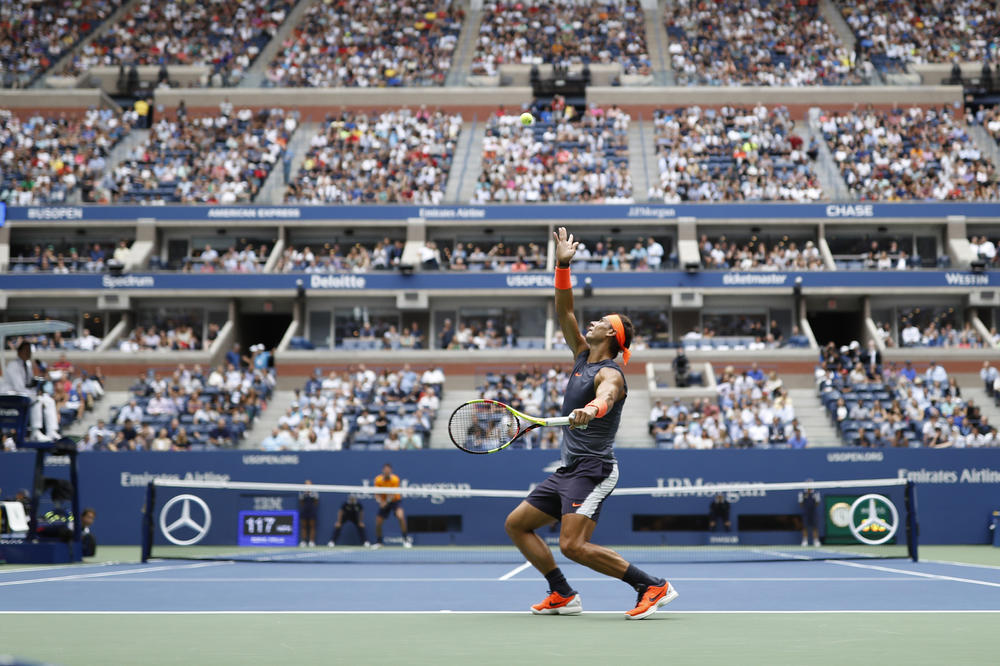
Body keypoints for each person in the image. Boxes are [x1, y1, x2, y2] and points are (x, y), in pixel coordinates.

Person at [503, 227, 677, 621]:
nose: (593, 322)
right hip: (568, 470)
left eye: (601, 321)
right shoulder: (583, 356)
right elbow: (564, 311)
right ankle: (562, 593)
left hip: (595, 470)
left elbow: (608, 395)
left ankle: (650, 585)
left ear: (611, 336)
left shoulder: (610, 372)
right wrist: (562, 265)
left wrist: (592, 410)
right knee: (517, 524)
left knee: (573, 545)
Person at [0, 340, 59, 441]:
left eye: (29, 351)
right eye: (26, 350)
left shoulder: (27, 365)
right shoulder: (13, 365)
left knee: (49, 400)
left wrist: (37, 386)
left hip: (22, 394)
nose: (28, 353)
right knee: (36, 399)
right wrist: (34, 393)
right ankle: (35, 431)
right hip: (9, 396)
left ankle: (52, 431)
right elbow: (19, 387)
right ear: (19, 352)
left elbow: (29, 383)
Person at [373, 463, 412, 548]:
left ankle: (405, 540)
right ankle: (379, 542)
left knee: (400, 516)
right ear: (383, 470)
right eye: (385, 470)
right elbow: (376, 494)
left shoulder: (395, 479)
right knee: (378, 522)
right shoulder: (378, 480)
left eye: (388, 470)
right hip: (383, 501)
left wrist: (385, 502)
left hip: (395, 501)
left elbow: (392, 494)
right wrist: (380, 501)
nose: (387, 471)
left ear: (391, 471)